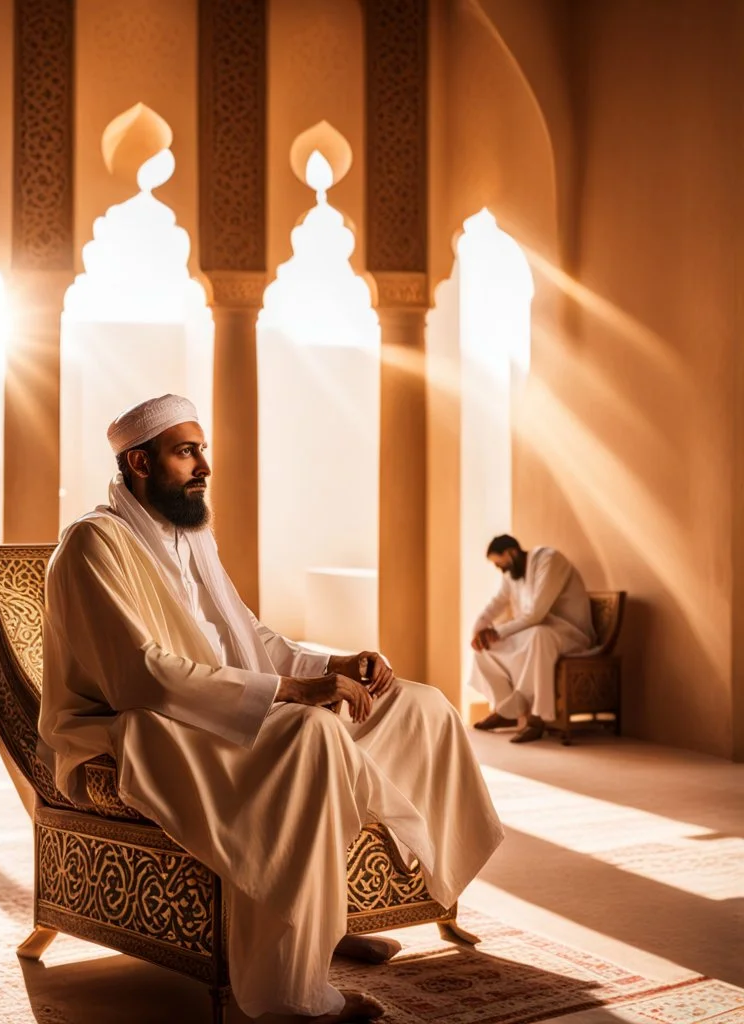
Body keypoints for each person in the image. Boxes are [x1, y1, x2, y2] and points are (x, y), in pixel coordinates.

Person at [39, 394, 504, 1022]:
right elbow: (140, 676)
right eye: (186, 451)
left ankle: (339, 917)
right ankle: (292, 994)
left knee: (419, 706)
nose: (204, 465)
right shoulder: (94, 544)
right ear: (140, 463)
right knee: (312, 734)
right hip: (142, 727)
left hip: (224, 706)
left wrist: (329, 667)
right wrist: (293, 693)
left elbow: (249, 640)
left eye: (202, 449)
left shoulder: (187, 536)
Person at [469, 534, 596, 744]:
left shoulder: (550, 560)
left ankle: (538, 718)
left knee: (538, 636)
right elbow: (497, 602)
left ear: (512, 552)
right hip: (540, 633)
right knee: (485, 649)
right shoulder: (513, 574)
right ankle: (507, 711)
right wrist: (478, 633)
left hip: (570, 634)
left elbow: (537, 614)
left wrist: (497, 631)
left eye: (501, 564)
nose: (501, 570)